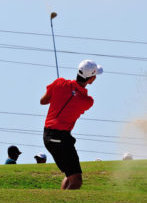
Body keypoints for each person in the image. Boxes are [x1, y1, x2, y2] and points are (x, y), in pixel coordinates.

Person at [40, 59, 103, 190]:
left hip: (48, 135)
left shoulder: (59, 82)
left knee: (71, 175)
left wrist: (57, 92)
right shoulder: (87, 101)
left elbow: (43, 101)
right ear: (91, 79)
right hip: (60, 137)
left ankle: (63, 202)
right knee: (76, 180)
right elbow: (75, 102)